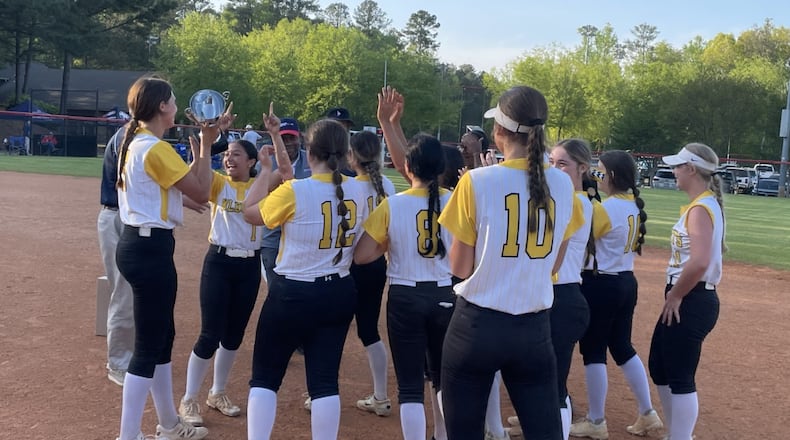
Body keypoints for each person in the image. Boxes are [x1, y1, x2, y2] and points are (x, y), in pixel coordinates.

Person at [438, 85, 583, 440]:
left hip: (476, 324)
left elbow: (460, 266)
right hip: (533, 328)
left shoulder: (476, 180)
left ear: (499, 132)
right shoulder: (564, 185)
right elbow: (554, 263)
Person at [114, 76, 230, 440]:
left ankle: (167, 424)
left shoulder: (138, 141)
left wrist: (202, 155)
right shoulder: (154, 147)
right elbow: (200, 188)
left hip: (142, 245)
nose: (177, 106)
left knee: (162, 337)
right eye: (173, 101)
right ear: (162, 107)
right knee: (149, 347)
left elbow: (183, 194)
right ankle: (128, 435)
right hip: (149, 250)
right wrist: (206, 148)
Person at [243, 118, 367, 440]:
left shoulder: (296, 191)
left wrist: (263, 170)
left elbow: (250, 212)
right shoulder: (362, 190)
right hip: (338, 290)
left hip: (292, 293)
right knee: (325, 382)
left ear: (310, 151)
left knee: (265, 378)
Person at [355, 133, 455, 440]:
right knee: (442, 380)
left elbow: (362, 255)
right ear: (440, 168)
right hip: (444, 293)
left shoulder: (392, 205)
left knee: (411, 387)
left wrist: (389, 244)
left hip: (405, 296)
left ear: (407, 167)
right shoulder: (455, 200)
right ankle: (442, 435)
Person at [505, 138, 595, 440]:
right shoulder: (567, 197)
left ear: (582, 168)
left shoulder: (575, 201)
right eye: (552, 162)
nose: (554, 168)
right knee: (545, 379)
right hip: (556, 297)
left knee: (555, 386)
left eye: (562, 163)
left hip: (564, 297)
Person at [570, 150, 662, 440]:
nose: (597, 174)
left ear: (610, 175)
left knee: (594, 350)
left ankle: (596, 420)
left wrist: (583, 193)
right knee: (622, 346)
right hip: (625, 280)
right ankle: (648, 413)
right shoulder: (633, 204)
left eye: (600, 170)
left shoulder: (606, 208)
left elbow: (580, 238)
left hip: (601, 283)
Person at [648, 144, 724, 440]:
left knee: (679, 375)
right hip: (689, 295)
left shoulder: (702, 208)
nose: (674, 171)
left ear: (691, 169)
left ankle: (680, 437)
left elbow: (701, 261)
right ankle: (678, 433)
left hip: (692, 297)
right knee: (660, 366)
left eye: (679, 166)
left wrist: (676, 295)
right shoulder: (702, 204)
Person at [347, 130, 397, 417]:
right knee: (369, 331)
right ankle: (380, 396)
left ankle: (321, 391)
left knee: (333, 330)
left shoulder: (350, 187)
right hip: (377, 265)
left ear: (352, 157)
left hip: (348, 266)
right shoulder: (387, 185)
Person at [98, 126, 135, 387]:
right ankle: (119, 363)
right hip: (118, 216)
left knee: (128, 289)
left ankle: (131, 355)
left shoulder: (138, 136)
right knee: (123, 290)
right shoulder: (128, 136)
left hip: (125, 217)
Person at [259, 117, 311, 284]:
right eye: (283, 138)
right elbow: (259, 193)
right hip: (273, 238)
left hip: (304, 238)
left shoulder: (311, 160)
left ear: (299, 138)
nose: (288, 142)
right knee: (277, 290)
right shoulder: (267, 162)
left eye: (291, 138)